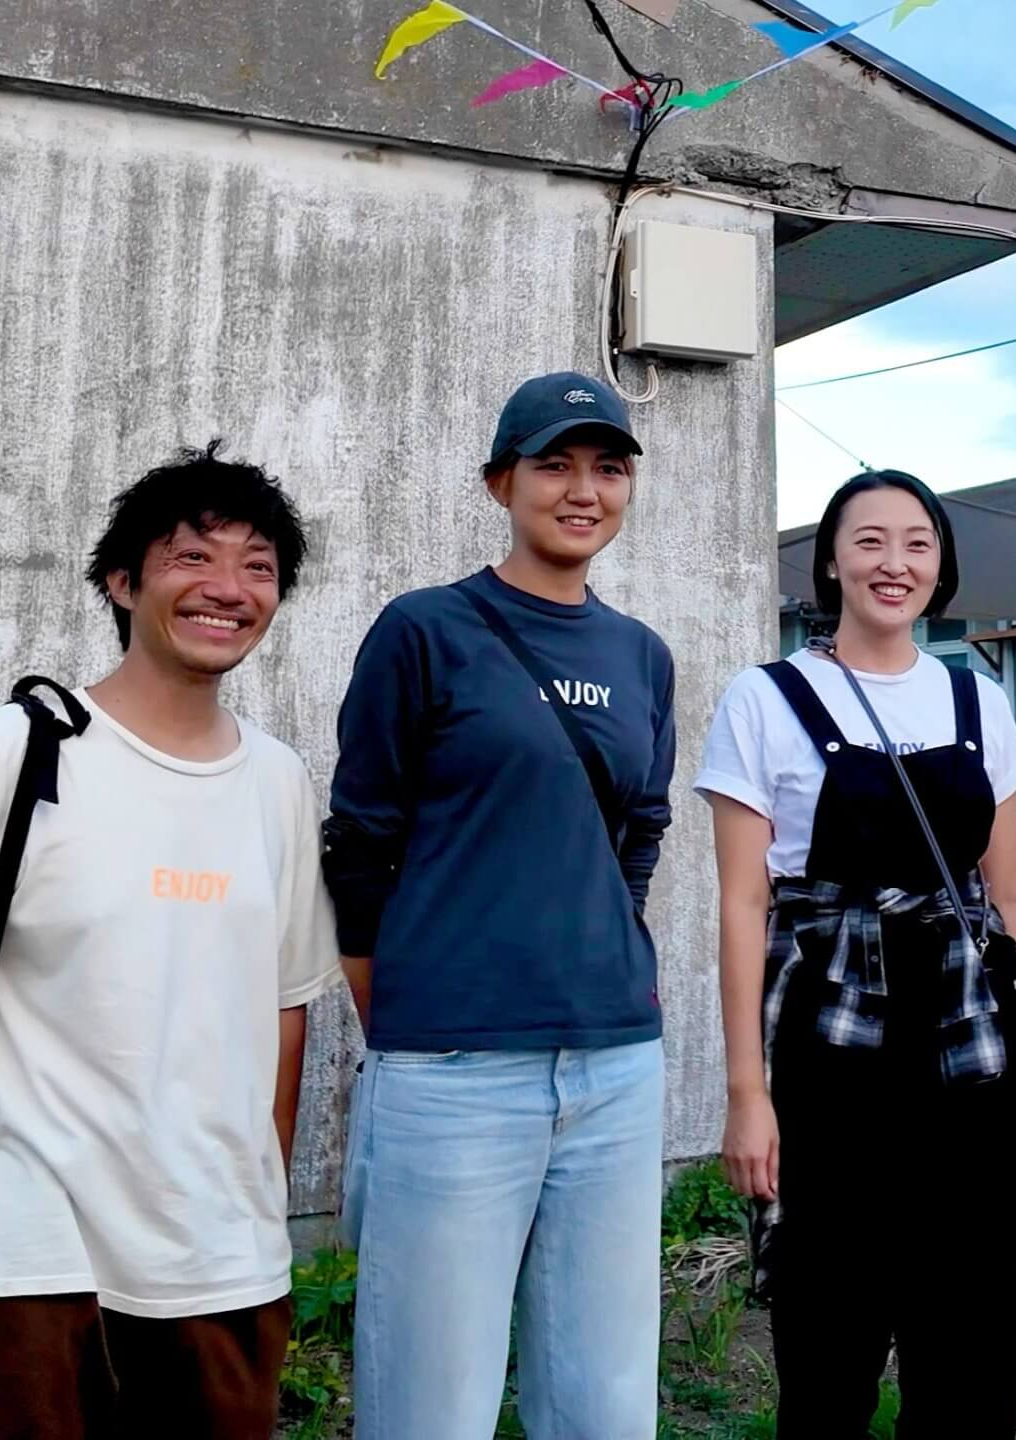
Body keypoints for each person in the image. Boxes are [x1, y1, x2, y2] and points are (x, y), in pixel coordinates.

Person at [0, 443, 339, 1438]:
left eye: (259, 567)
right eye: (192, 558)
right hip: (24, 1247)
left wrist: (256, 1212)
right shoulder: (8, 751)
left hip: (217, 1260)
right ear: (120, 580)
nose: (228, 589)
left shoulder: (276, 782)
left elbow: (283, 1010)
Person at [324, 371, 678, 1439]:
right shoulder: (426, 630)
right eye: (555, 464)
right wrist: (408, 1012)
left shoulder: (640, 656)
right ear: (500, 482)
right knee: (434, 1403)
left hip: (616, 1067)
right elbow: (360, 840)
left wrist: (612, 958)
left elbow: (641, 833)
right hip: (453, 1069)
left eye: (607, 467)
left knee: (606, 1403)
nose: (584, 490)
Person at [698, 470, 1016, 1438]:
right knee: (830, 1327)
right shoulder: (766, 697)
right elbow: (742, 904)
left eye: (915, 542)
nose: (891, 563)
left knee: (973, 1327)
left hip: (972, 1043)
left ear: (939, 565)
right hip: (832, 1044)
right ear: (830, 560)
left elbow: (1009, 895)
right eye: (868, 541)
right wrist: (747, 1093)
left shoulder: (974, 701)